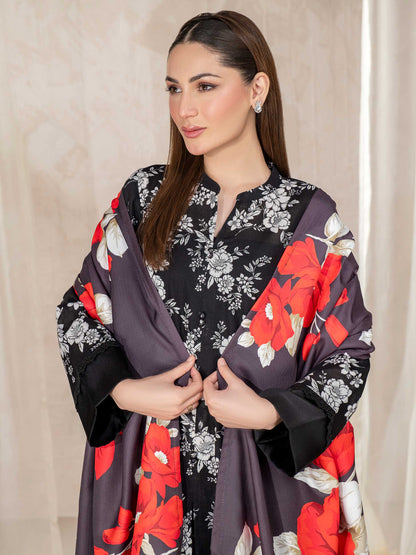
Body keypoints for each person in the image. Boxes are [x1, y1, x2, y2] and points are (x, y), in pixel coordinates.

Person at [56, 10, 374, 554]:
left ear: (257, 89)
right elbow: (80, 309)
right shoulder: (143, 200)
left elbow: (351, 351)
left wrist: (269, 412)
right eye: (174, 88)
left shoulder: (312, 221)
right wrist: (128, 391)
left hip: (266, 487)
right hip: (150, 481)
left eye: (205, 86)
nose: (185, 108)